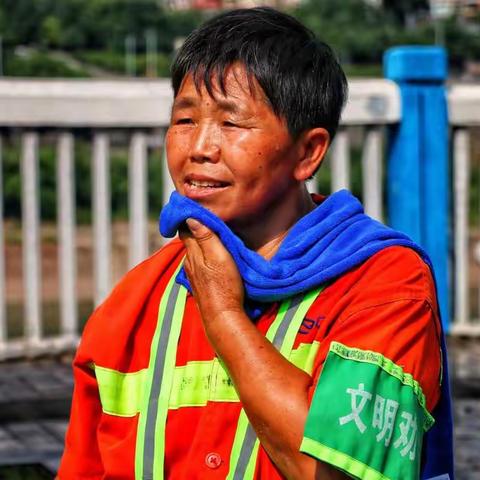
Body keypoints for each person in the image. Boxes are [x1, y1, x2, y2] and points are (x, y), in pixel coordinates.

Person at [58, 7, 453, 480]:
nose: (199, 147)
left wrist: (224, 316)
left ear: (308, 153)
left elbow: (334, 473)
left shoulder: (385, 285)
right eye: (184, 120)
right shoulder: (133, 302)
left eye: (232, 124)